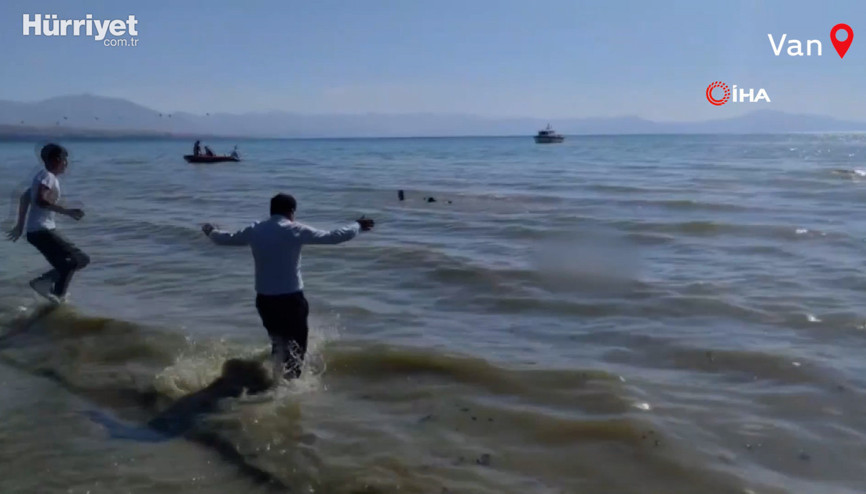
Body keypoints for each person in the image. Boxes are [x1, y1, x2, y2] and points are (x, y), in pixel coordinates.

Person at [201, 193, 374, 380]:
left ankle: (275, 379)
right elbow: (333, 237)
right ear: (291, 211)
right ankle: (288, 387)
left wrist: (210, 230)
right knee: (297, 349)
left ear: (271, 210)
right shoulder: (294, 229)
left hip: (265, 301)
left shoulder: (255, 230)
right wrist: (357, 225)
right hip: (291, 300)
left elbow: (224, 239)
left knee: (278, 343)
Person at [6, 143, 89, 303]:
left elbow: (25, 198)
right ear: (56, 160)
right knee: (79, 259)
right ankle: (46, 286)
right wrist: (67, 212)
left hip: (36, 232)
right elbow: (40, 200)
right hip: (42, 231)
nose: (66, 163)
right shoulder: (47, 177)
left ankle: (55, 298)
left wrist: (20, 226)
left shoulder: (42, 176)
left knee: (69, 264)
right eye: (65, 159)